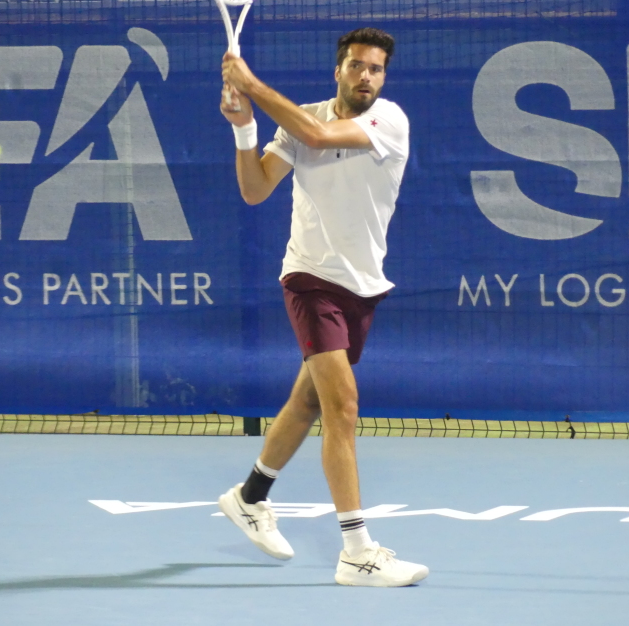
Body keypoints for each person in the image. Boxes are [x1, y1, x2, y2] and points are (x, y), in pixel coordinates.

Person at [217, 27, 428, 588]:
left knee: (308, 400)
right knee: (343, 407)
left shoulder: (389, 121)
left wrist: (252, 86)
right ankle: (357, 553)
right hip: (310, 279)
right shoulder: (302, 117)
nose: (367, 76)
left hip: (362, 285)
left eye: (376, 69)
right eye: (357, 65)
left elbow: (315, 133)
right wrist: (244, 129)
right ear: (338, 70)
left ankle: (249, 496)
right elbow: (256, 188)